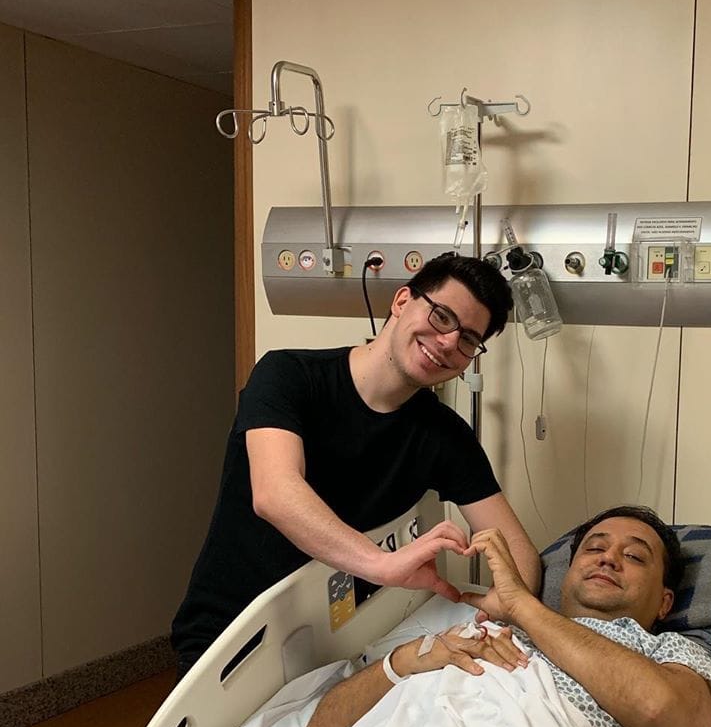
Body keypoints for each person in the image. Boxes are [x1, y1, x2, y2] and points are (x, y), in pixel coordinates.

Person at [171, 254, 540, 677]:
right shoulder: (288, 376)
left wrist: (506, 605)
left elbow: (518, 550)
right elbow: (275, 493)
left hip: (339, 641)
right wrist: (383, 565)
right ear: (402, 301)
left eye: (468, 339)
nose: (447, 343)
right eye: (441, 316)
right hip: (232, 634)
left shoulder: (444, 435)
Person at [302, 506, 711, 727]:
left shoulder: (671, 655)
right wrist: (403, 663)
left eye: (635, 557)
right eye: (594, 548)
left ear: (664, 602)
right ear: (566, 575)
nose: (608, 558)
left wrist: (522, 606)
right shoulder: (483, 633)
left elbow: (658, 709)